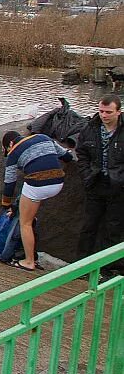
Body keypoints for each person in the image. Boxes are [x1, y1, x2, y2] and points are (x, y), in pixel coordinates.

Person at [0, 130, 74, 271]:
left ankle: (29, 261)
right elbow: (67, 156)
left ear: (10, 144)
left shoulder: (13, 154)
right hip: (58, 183)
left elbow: (10, 182)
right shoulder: (44, 137)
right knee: (30, 212)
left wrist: (6, 205)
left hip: (37, 185)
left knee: (25, 223)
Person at [76, 94, 123, 275]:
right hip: (95, 182)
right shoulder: (91, 128)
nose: (104, 115)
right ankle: (81, 266)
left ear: (118, 112)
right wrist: (86, 174)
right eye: (101, 111)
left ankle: (110, 268)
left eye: (108, 112)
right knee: (89, 225)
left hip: (118, 186)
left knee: (114, 228)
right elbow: (82, 153)